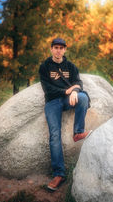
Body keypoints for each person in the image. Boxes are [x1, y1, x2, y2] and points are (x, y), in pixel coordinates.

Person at [39, 38, 92, 191]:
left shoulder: (70, 66)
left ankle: (78, 132)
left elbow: (78, 83)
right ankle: (59, 174)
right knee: (55, 135)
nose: (58, 50)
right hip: (52, 102)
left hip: (68, 99)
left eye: (61, 48)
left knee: (83, 97)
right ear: (51, 49)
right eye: (56, 47)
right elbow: (48, 89)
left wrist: (75, 91)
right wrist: (66, 91)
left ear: (65, 50)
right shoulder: (44, 67)